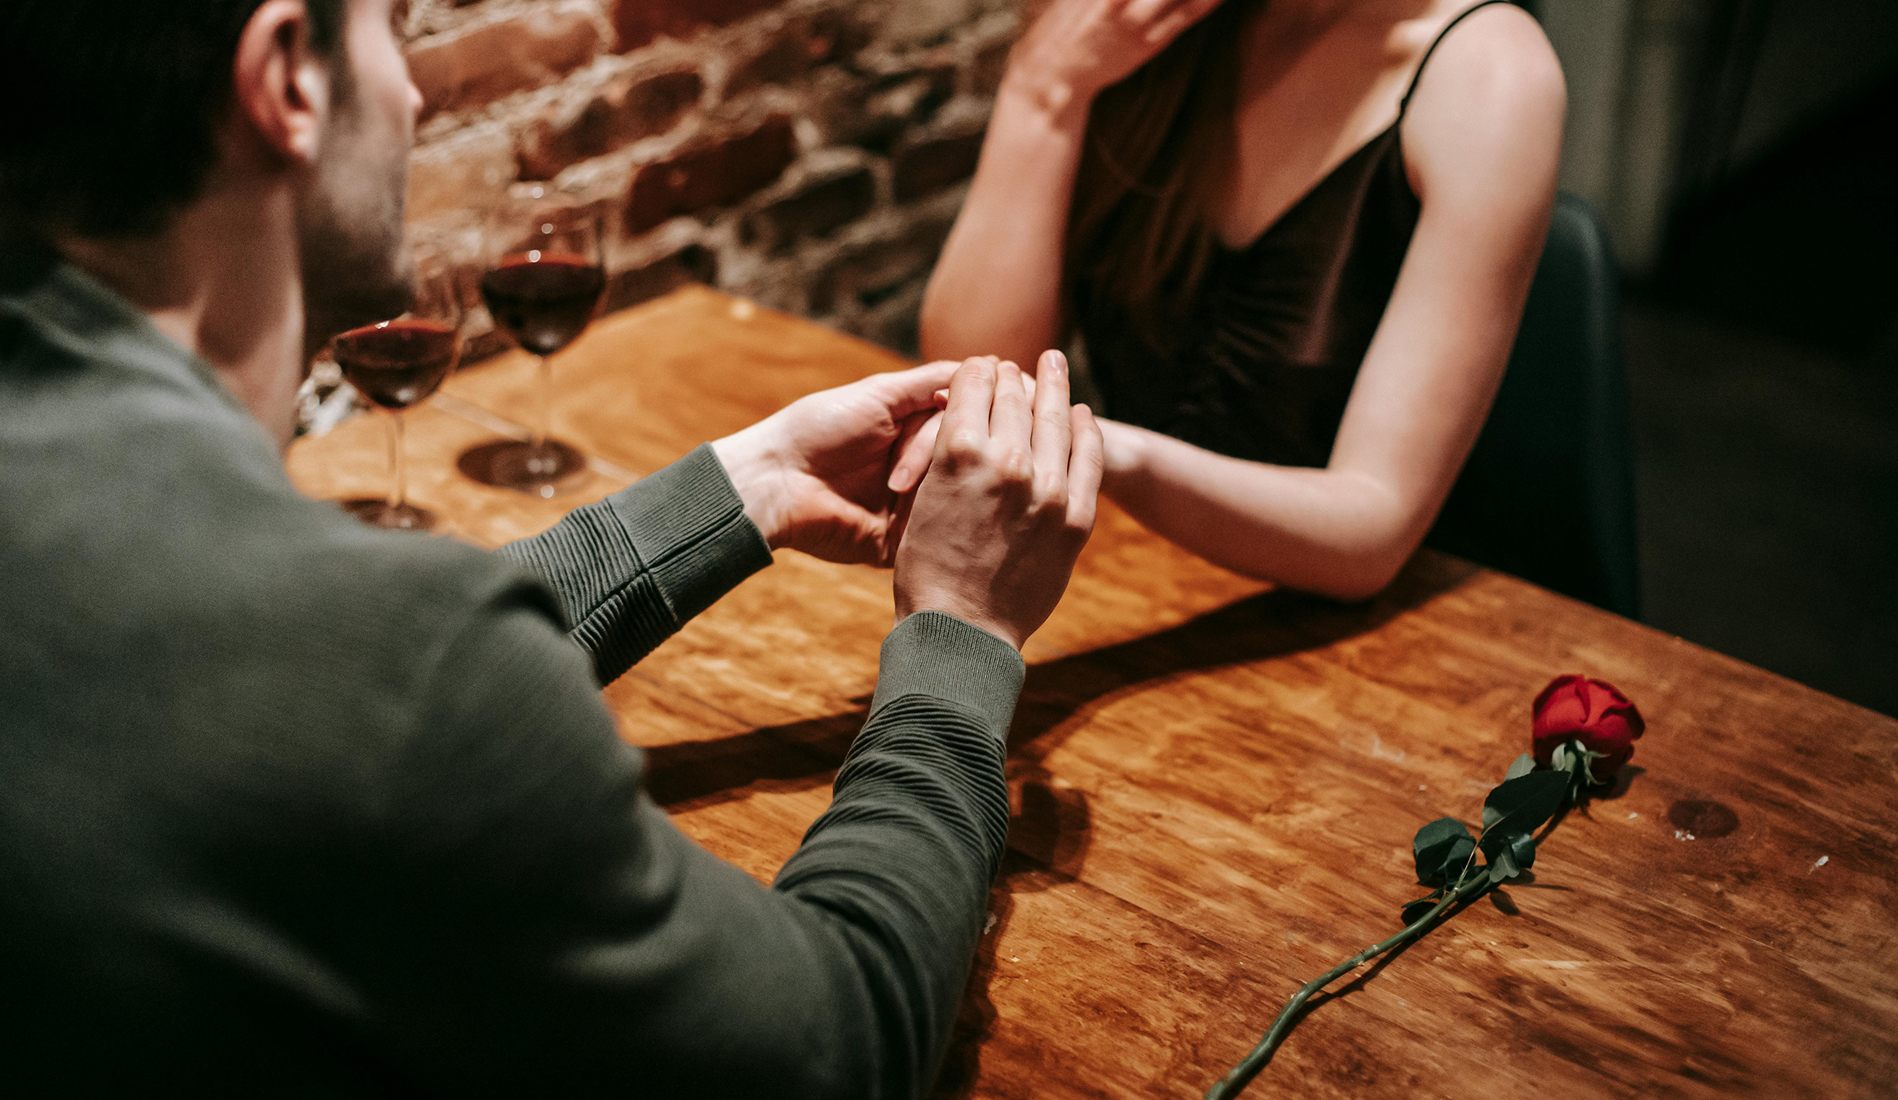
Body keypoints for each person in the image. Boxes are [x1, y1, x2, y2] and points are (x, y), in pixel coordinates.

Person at [0, 0, 1102, 1093]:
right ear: (288, 78)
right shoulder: (374, 664)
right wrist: (958, 628)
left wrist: (741, 488)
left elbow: (280, 682)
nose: (417, 90)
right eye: (393, 27)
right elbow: (837, 1043)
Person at [915, 0, 1565, 600]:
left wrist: (1102, 449)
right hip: (1131, 574)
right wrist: (1044, 92)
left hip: (1375, 635)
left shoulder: (1489, 73)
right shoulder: (1166, 23)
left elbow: (1371, 534)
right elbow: (973, 375)